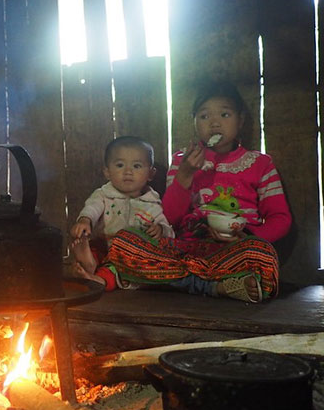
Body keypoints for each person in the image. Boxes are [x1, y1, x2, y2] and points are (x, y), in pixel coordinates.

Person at [103, 82, 291, 302]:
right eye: (203, 116)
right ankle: (216, 287)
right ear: (194, 122)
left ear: (240, 120)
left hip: (232, 251)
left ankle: (179, 282)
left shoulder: (259, 164)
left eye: (224, 114)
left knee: (263, 255)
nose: (214, 122)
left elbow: (281, 219)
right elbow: (170, 218)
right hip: (184, 251)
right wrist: (185, 175)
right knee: (125, 242)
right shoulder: (183, 161)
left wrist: (248, 236)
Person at [69, 136, 174, 290]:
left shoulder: (151, 204)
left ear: (151, 174)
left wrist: (161, 229)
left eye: (137, 166)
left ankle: (99, 280)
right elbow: (92, 208)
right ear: (107, 172)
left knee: (118, 268)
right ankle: (88, 264)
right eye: (120, 165)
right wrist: (85, 220)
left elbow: (170, 232)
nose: (128, 172)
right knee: (94, 248)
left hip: (128, 255)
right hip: (104, 243)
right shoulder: (103, 195)